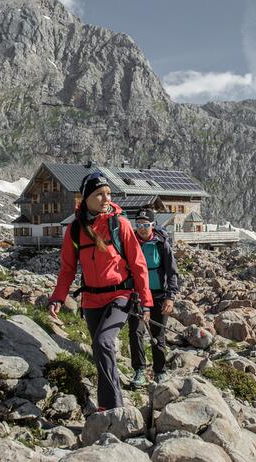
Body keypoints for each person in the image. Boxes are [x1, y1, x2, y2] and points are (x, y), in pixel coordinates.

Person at [46, 170, 152, 411]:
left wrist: (146, 301)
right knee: (100, 349)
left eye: (108, 193)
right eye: (100, 194)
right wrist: (58, 298)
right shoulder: (74, 230)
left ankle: (111, 407)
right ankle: (114, 402)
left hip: (120, 296)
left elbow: (138, 264)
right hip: (91, 300)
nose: (106, 198)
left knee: (103, 342)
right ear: (86, 198)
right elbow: (67, 269)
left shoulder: (120, 224)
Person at [126, 208, 179, 387]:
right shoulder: (130, 243)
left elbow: (172, 272)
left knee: (159, 334)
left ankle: (160, 371)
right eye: (138, 224)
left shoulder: (161, 243)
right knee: (136, 332)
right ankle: (139, 370)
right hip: (137, 296)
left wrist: (170, 297)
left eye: (146, 224)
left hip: (159, 295)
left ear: (153, 225)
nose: (142, 228)